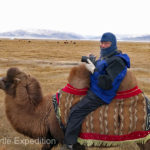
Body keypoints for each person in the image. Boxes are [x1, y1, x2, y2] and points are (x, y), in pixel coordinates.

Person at [62, 32, 130, 150]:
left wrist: (94, 70)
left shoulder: (118, 62)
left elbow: (107, 84)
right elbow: (102, 69)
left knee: (76, 111)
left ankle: (70, 144)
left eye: (106, 43)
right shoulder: (107, 57)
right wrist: (94, 61)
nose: (103, 46)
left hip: (101, 95)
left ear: (113, 44)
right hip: (94, 88)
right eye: (101, 43)